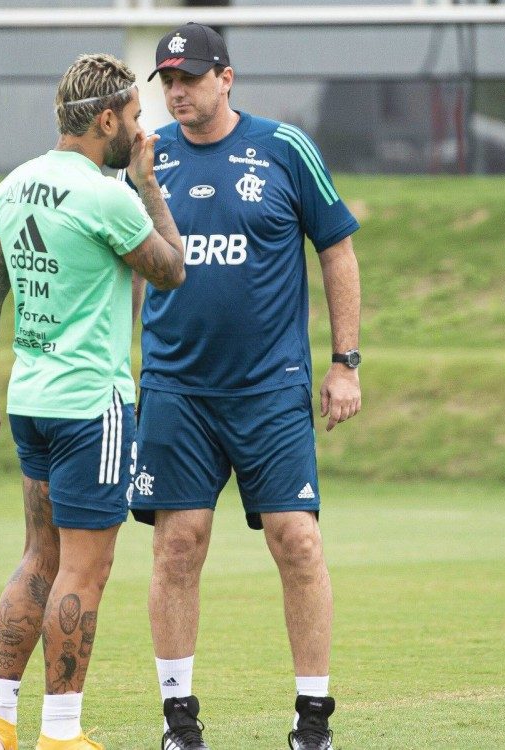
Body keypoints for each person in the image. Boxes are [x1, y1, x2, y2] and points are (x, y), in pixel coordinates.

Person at [127, 23, 362, 750]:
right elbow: (118, 262)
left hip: (270, 390)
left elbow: (338, 250)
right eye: (167, 80)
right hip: (177, 389)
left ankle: (313, 723)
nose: (176, 91)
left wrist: (344, 362)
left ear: (227, 78)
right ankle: (179, 723)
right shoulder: (147, 160)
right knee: (179, 547)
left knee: (298, 542)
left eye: (190, 78)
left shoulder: (285, 150)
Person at [0, 53, 185, 750]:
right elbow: (173, 268)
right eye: (137, 118)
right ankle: (61, 734)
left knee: (38, 558)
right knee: (86, 568)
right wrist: (148, 188)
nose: (142, 131)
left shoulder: (13, 186)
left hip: (31, 399)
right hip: (93, 406)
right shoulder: (107, 194)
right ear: (107, 118)